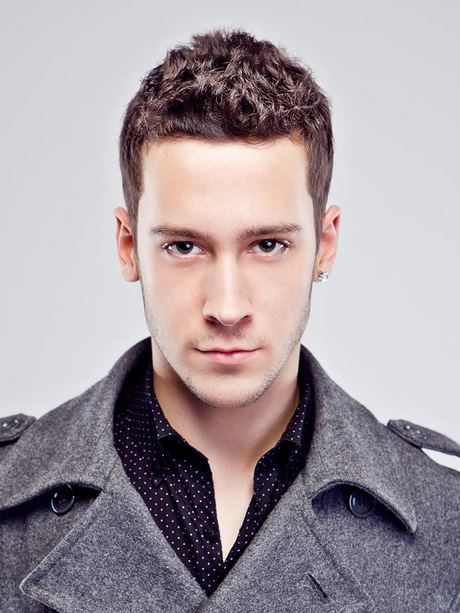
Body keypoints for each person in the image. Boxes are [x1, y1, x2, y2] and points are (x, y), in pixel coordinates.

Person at [1, 28, 459, 613]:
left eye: (267, 245)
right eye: (184, 247)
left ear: (324, 244)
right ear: (128, 246)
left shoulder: (445, 522)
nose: (226, 306)